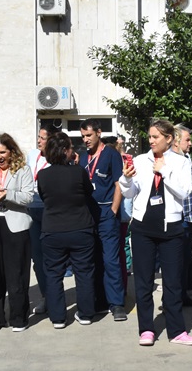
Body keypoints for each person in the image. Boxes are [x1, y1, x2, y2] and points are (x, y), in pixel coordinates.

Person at [119, 119, 192, 346]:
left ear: (169, 139)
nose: (151, 140)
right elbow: (130, 192)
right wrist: (126, 178)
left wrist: (164, 171)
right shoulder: (141, 160)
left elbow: (184, 191)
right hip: (143, 228)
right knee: (143, 281)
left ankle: (177, 331)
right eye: (150, 136)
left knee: (173, 282)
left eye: (155, 137)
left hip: (171, 228)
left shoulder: (182, 162)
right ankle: (146, 329)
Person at [37, 131, 98, 328]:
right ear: (65, 151)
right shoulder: (78, 171)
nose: (74, 150)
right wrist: (76, 166)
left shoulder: (43, 175)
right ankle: (86, 313)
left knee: (54, 274)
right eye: (71, 147)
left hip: (52, 230)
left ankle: (58, 318)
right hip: (80, 228)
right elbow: (89, 192)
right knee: (84, 272)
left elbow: (45, 197)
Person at [0, 133, 35, 332]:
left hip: (16, 226)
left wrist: (7, 195)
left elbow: (28, 197)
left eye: (3, 152)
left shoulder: (23, 169)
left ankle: (19, 318)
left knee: (16, 274)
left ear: (12, 152)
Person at [79, 119, 127, 320]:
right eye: (83, 136)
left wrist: (114, 210)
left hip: (107, 213)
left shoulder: (111, 154)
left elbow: (119, 183)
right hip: (88, 215)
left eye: (89, 135)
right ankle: (99, 300)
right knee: (93, 259)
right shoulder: (83, 157)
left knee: (110, 259)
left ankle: (116, 303)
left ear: (98, 133)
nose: (85, 140)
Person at [174, 124, 192, 306]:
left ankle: (183, 293)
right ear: (176, 141)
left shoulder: (186, 157)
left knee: (185, 256)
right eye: (187, 139)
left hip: (190, 215)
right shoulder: (171, 160)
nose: (190, 143)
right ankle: (176, 296)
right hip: (180, 216)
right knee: (178, 258)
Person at [24, 127, 53, 315]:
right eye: (38, 137)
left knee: (51, 257)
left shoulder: (56, 158)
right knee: (37, 257)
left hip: (48, 210)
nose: (39, 141)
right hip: (31, 209)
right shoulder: (32, 154)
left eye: (43, 138)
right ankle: (45, 296)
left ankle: (54, 296)